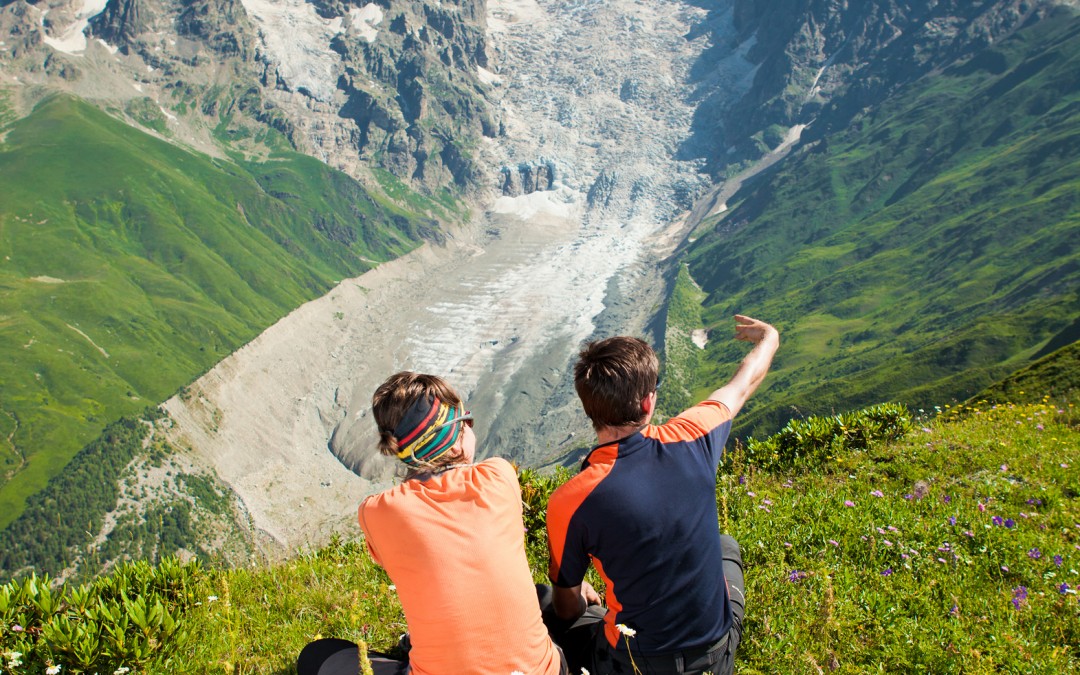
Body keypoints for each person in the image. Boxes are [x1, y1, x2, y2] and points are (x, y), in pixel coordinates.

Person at [545, 315, 780, 674]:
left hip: (633, 663)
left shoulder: (571, 500)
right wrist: (769, 338)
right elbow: (743, 384)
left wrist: (584, 602)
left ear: (588, 406)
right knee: (726, 546)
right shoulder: (695, 436)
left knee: (545, 603)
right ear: (647, 403)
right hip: (717, 655)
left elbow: (566, 607)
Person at [299, 371, 565, 675]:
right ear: (458, 434)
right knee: (540, 595)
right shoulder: (499, 475)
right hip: (545, 670)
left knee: (318, 655)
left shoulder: (377, 512)